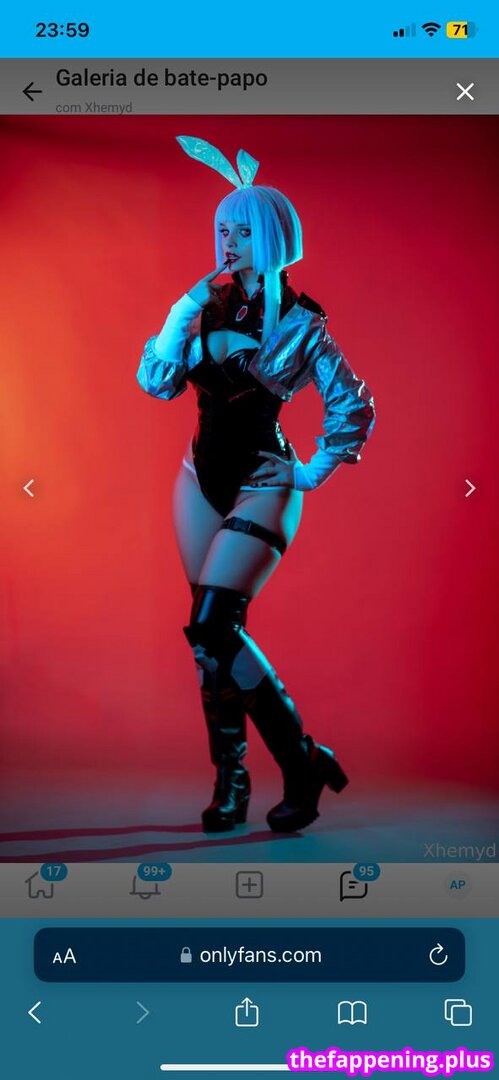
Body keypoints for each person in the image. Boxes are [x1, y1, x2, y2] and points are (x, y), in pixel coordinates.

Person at [137, 136, 375, 834]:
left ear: (272, 237)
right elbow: (156, 382)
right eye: (222, 229)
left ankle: (301, 759)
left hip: (261, 482)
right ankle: (232, 780)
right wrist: (181, 313)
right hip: (197, 478)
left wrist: (308, 471)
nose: (227, 242)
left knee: (214, 624)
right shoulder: (204, 306)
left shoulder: (302, 324)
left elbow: (352, 406)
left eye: (241, 231)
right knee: (209, 640)